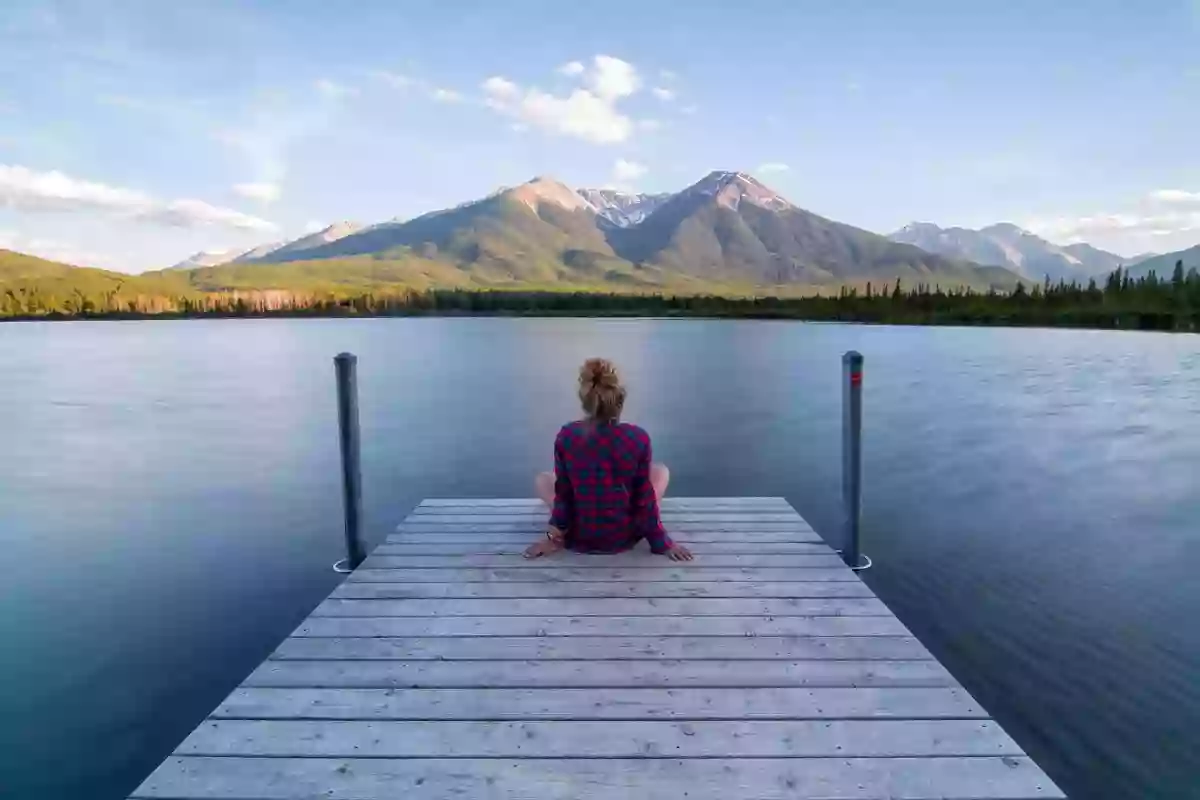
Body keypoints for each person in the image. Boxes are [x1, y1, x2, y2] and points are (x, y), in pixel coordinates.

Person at [524, 358, 694, 561]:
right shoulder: (637, 437)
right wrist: (662, 543)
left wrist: (553, 537)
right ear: (619, 401)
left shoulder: (567, 435)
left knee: (545, 479)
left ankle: (561, 534)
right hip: (623, 536)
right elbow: (644, 499)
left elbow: (564, 495)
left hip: (579, 535)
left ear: (586, 401)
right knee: (660, 472)